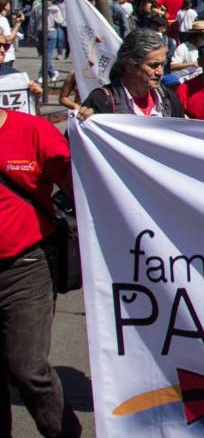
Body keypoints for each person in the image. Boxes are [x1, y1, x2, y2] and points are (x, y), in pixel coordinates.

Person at [0, 105, 83, 437]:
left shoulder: (34, 131)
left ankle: (65, 433)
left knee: (27, 367)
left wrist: (92, 139)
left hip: (25, 266)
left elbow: (82, 187)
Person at [78, 28, 185, 118]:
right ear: (129, 65)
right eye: (153, 65)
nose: (160, 72)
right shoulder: (101, 102)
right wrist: (85, 122)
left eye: (162, 64)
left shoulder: (169, 99)